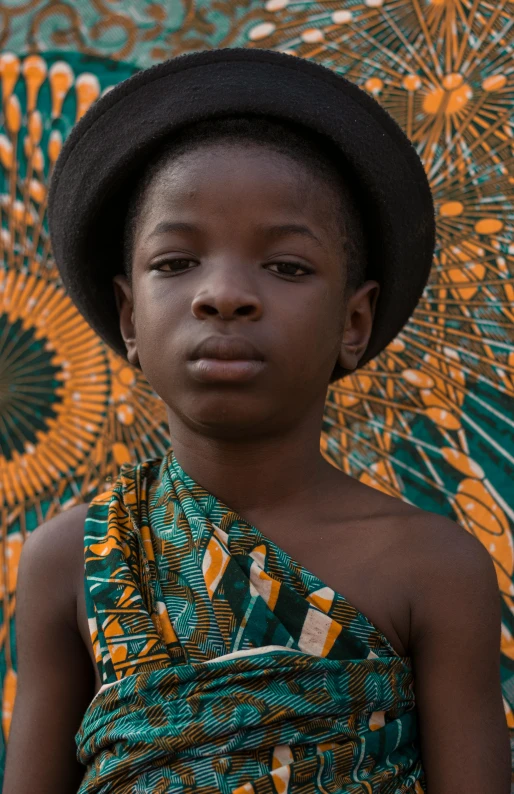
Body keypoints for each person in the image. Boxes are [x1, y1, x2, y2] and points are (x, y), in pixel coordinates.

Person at [3, 48, 510, 794]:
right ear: (128, 317)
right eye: (176, 263)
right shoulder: (72, 560)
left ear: (355, 320)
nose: (225, 295)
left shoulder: (433, 569)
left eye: (288, 267)